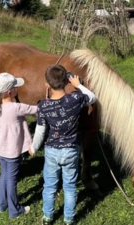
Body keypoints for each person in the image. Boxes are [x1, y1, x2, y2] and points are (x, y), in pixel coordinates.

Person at [28, 65, 96, 225]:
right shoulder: (75, 99)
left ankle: (47, 217)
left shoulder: (43, 106)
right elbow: (92, 98)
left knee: (50, 187)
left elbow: (40, 130)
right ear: (67, 81)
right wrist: (79, 85)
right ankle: (69, 219)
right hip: (71, 150)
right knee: (70, 187)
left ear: (47, 85)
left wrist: (34, 147)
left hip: (52, 151)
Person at [0, 72, 36, 218]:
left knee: (4, 175)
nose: (18, 89)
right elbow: (36, 110)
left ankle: (2, 204)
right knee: (11, 180)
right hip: (13, 152)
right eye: (16, 87)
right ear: (10, 92)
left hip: (1, 151)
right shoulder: (16, 108)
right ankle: (15, 209)